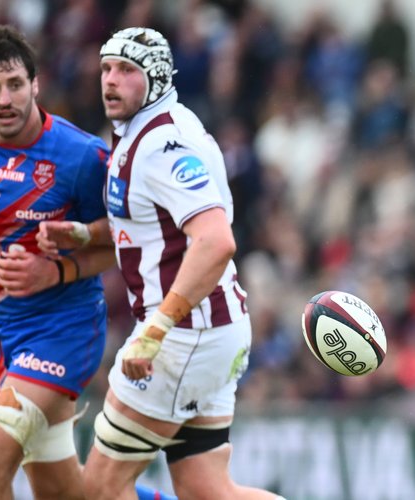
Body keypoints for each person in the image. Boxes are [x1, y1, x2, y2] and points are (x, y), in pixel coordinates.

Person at [39, 27, 280, 500]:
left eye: (126, 71)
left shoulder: (161, 145)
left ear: (155, 78)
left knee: (102, 488)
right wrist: (89, 234)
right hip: (211, 330)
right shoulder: (149, 130)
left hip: (184, 335)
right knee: (207, 490)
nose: (109, 81)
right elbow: (154, 226)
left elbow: (215, 241)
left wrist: (155, 332)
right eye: (106, 68)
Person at [0, 24, 116, 500]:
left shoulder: (81, 158)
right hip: (8, 336)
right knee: (66, 495)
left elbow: (125, 242)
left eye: (15, 84)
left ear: (35, 84)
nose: (4, 98)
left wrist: (54, 269)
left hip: (66, 331)